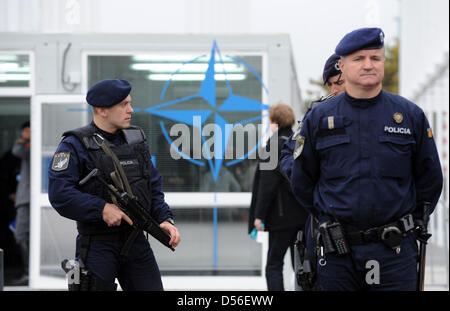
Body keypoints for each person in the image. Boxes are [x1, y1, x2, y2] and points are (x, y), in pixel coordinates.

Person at [291, 27, 443, 291]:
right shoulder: (318, 119)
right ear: (342, 65)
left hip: (394, 253)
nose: (368, 65)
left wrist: (407, 225)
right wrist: (328, 217)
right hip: (338, 254)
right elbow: (302, 180)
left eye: (376, 58)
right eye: (359, 59)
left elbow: (430, 180)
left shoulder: (409, 116)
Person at [48, 79, 181, 291]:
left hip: (136, 240)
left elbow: (153, 187)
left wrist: (164, 218)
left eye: (130, 103)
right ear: (102, 110)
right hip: (97, 245)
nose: (131, 109)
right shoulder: (74, 144)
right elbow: (60, 194)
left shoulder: (136, 141)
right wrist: (101, 209)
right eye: (123, 104)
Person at [248, 102, 308, 291]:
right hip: (302, 216)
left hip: (280, 219)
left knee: (274, 265)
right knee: (301, 265)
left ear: (274, 121)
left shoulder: (273, 144)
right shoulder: (299, 143)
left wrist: (258, 216)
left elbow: (267, 185)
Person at [280, 53, 345, 181]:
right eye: (330, 85)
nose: (334, 90)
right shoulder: (317, 110)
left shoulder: (379, 106)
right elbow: (290, 153)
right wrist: (307, 183)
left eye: (339, 83)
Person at [10, 121, 31, 285]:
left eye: (27, 131)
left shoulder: (33, 145)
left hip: (31, 198)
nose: (25, 134)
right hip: (25, 198)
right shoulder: (26, 145)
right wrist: (24, 139)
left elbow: (17, 151)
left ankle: (30, 273)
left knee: (22, 234)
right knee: (21, 235)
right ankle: (28, 272)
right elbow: (16, 151)